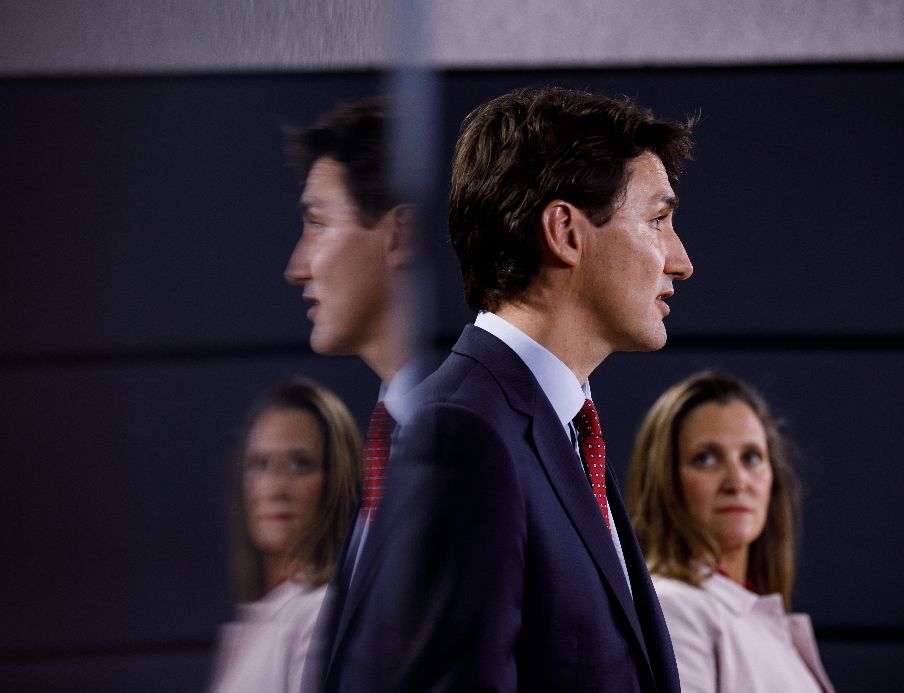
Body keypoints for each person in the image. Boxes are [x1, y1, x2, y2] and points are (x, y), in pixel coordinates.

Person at [345, 86, 695, 691]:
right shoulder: (464, 437)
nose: (680, 259)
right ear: (564, 231)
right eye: (657, 221)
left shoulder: (556, 427)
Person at [281, 98, 420, 692]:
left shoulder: (470, 439)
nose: (297, 267)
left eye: (317, 224)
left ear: (400, 233)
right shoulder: (397, 439)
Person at [626, 371, 834, 693]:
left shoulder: (753, 614)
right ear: (664, 481)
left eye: (751, 457)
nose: (737, 482)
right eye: (706, 459)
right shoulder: (672, 608)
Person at [207, 377, 363, 693]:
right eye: (260, 464)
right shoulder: (261, 616)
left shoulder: (320, 612)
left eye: (300, 464)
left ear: (336, 479)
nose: (276, 488)